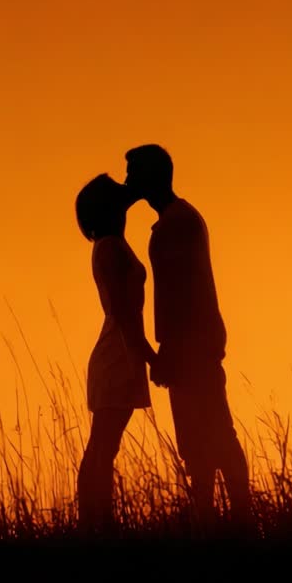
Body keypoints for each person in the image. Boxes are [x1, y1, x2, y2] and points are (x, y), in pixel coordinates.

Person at [123, 144, 252, 527]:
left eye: (133, 173)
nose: (128, 180)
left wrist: (170, 353)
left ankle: (236, 517)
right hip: (191, 343)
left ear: (152, 176)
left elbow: (182, 293)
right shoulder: (178, 219)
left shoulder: (176, 224)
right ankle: (209, 518)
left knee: (214, 432)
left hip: (190, 344)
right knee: (201, 439)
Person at [75, 173, 156, 531]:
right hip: (117, 353)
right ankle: (95, 523)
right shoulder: (108, 246)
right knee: (103, 445)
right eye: (116, 194)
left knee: (105, 443)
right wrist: (151, 356)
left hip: (121, 349)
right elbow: (123, 313)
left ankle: (95, 522)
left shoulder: (111, 242)